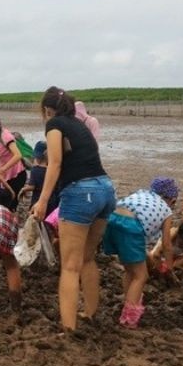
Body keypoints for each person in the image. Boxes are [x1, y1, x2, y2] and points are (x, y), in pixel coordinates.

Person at [31, 86, 116, 332]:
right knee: (88, 258)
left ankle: (68, 328)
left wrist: (43, 200)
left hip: (81, 192)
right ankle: (90, 313)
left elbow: (55, 162)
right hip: (105, 189)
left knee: (69, 266)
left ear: (48, 110)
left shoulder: (54, 124)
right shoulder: (80, 124)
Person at [102, 177, 178, 329]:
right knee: (141, 276)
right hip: (131, 227)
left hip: (111, 221)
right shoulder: (167, 211)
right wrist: (169, 266)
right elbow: (167, 244)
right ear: (173, 200)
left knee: (130, 271)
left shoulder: (141, 194)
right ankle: (129, 318)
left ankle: (128, 301)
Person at [20, 141, 57, 217]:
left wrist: (24, 189)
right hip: (53, 201)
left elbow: (32, 186)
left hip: (37, 201)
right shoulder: (53, 170)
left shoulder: (35, 170)